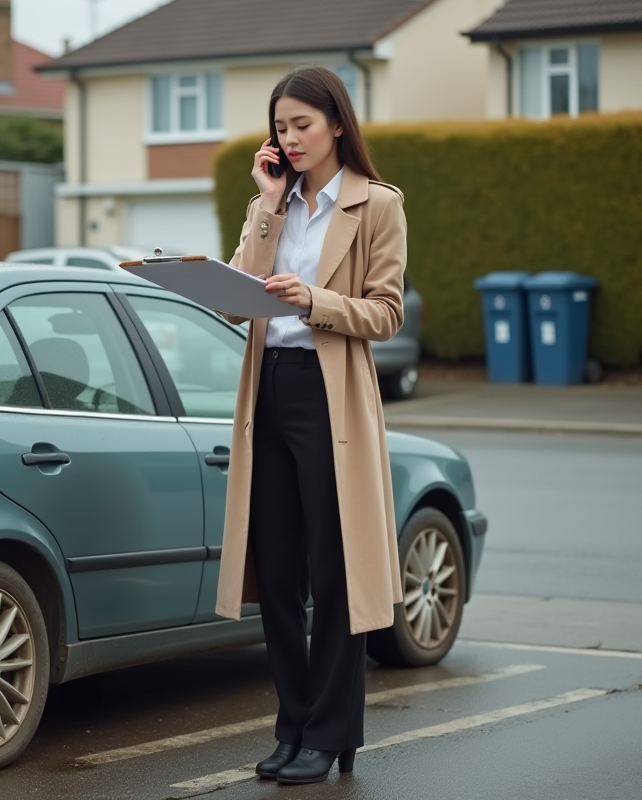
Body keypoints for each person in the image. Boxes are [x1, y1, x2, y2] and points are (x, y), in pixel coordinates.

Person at [213, 66, 407, 785]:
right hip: (267, 391)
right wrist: (267, 206)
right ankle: (293, 726)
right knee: (278, 571)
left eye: (302, 124)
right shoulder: (271, 203)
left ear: (336, 124)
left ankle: (330, 732)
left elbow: (386, 312)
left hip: (331, 396)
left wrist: (314, 301)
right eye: (280, 127)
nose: (290, 139)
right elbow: (235, 301)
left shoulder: (376, 204)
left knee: (334, 569)